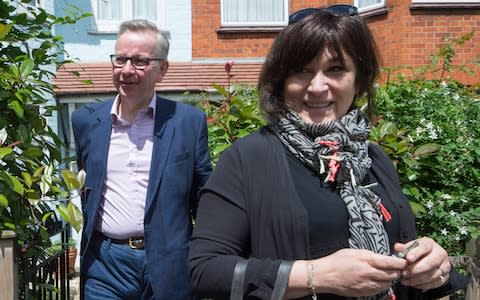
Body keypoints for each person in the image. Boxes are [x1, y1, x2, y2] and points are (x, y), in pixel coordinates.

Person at [189, 5, 468, 300]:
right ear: (281, 81)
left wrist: (433, 268)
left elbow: (402, 250)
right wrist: (317, 275)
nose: (317, 86)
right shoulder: (247, 159)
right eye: (301, 71)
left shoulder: (373, 158)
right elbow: (205, 270)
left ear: (358, 79)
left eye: (336, 69)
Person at [72, 19, 212, 299]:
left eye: (139, 61)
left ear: (162, 69)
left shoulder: (187, 122)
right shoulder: (85, 121)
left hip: (169, 260)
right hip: (105, 263)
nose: (126, 70)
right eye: (120, 59)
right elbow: (87, 185)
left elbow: (203, 195)